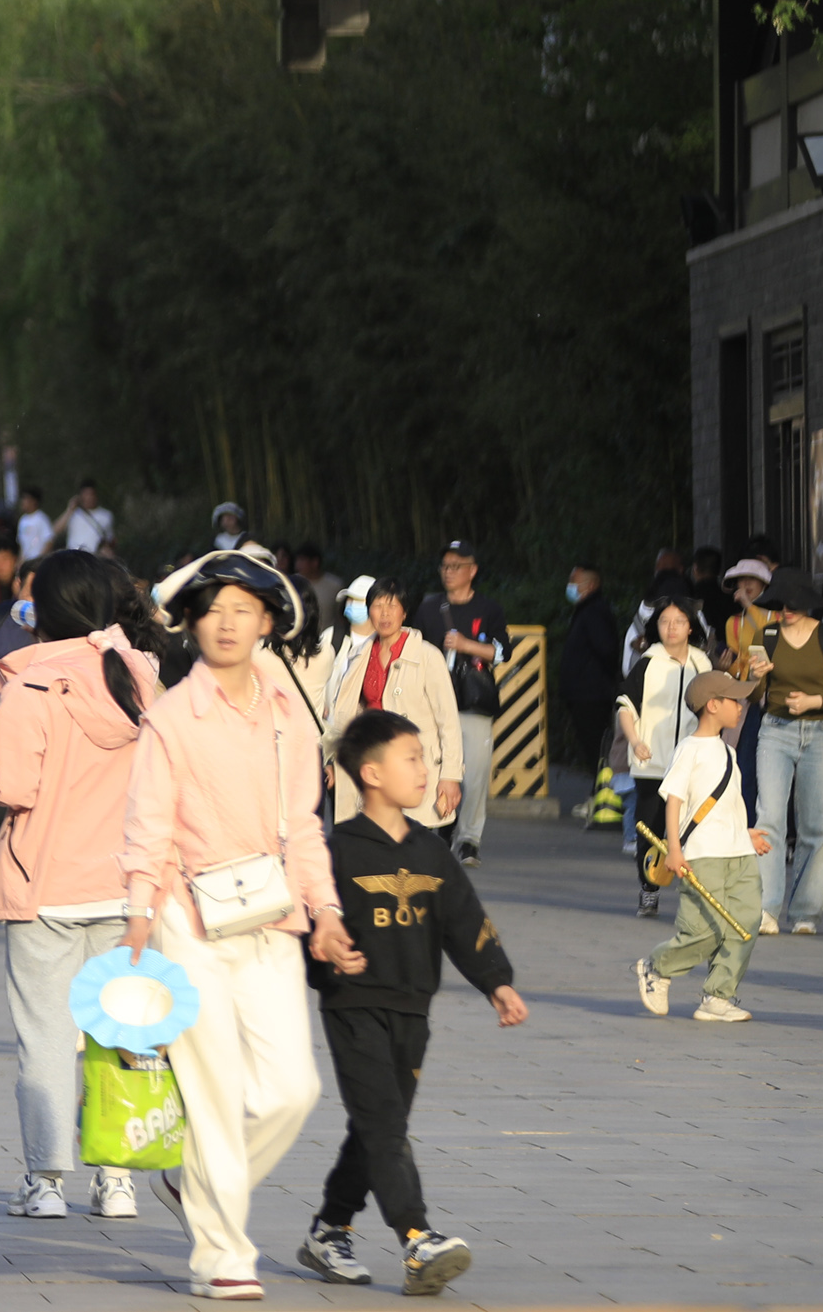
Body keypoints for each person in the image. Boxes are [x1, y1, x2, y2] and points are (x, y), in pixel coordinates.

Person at [121, 552, 361, 1301]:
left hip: (270, 918)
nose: (226, 622)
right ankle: (222, 1254)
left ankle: (192, 1181)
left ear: (267, 621)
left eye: (242, 608)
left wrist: (325, 912)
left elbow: (303, 826)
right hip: (184, 920)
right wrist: (134, 924)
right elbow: (146, 825)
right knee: (216, 1091)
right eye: (212, 608)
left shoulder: (289, 715)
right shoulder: (167, 715)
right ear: (190, 623)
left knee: (291, 1088)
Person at [294, 708, 525, 1297]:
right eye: (412, 758)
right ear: (371, 773)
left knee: (377, 1124)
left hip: (412, 1010)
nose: (425, 770)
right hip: (353, 1005)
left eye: (424, 758)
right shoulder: (335, 847)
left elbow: (464, 920)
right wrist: (324, 953)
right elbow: (308, 921)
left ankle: (330, 1228)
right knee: (385, 1123)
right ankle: (418, 1238)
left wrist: (496, 980)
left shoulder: (430, 851)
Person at [0, 548, 165, 1222]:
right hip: (124, 888)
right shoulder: (140, 677)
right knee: (119, 1035)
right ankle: (117, 1180)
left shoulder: (31, 685)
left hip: (45, 888)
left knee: (46, 1037)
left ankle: (45, 1181)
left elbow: (8, 786)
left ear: (42, 611)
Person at [634, 668, 765, 1022]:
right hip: (702, 855)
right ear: (712, 705)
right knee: (706, 930)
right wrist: (674, 849)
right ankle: (656, 967)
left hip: (738, 852)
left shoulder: (728, 752)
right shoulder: (689, 749)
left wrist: (746, 832)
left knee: (747, 920)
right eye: (733, 700)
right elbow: (674, 800)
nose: (740, 706)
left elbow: (728, 802)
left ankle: (718, 996)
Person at [741, 570, 823, 935]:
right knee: (769, 817)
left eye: (793, 603)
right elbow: (755, 698)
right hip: (775, 731)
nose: (786, 609)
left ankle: (806, 912)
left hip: (820, 734)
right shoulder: (765, 636)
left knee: (816, 825)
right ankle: (767, 908)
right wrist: (756, 677)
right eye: (780, 603)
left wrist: (813, 701)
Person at [315, 581, 465, 831]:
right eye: (377, 606)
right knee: (373, 842)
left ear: (404, 612)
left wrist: (450, 775)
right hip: (372, 764)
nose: (384, 614)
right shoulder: (360, 654)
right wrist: (334, 757)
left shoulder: (427, 656)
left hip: (414, 765)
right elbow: (349, 717)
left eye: (392, 606)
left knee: (412, 843)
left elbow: (448, 720)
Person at [616, 597, 712, 916]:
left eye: (678, 621)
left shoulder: (702, 663)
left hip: (690, 764)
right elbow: (626, 705)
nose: (671, 628)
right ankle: (649, 888)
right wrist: (635, 740)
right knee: (650, 828)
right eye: (664, 621)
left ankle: (692, 896)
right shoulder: (648, 661)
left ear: (690, 627)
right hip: (652, 763)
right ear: (655, 627)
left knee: (691, 830)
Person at [411, 546, 505, 864]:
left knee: (475, 772)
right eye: (445, 566)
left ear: (472, 570)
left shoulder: (488, 608)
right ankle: (442, 825)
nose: (448, 571)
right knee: (434, 764)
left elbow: (502, 652)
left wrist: (466, 645)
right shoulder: (428, 608)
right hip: (432, 702)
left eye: (456, 566)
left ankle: (469, 839)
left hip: (472, 702)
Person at [557, 561, 624, 774]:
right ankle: (598, 793)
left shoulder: (594, 611)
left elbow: (606, 650)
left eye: (575, 582)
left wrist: (596, 680)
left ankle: (602, 795)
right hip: (585, 693)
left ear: (591, 585)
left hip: (592, 694)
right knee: (592, 748)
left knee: (596, 748)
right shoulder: (585, 611)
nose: (571, 586)